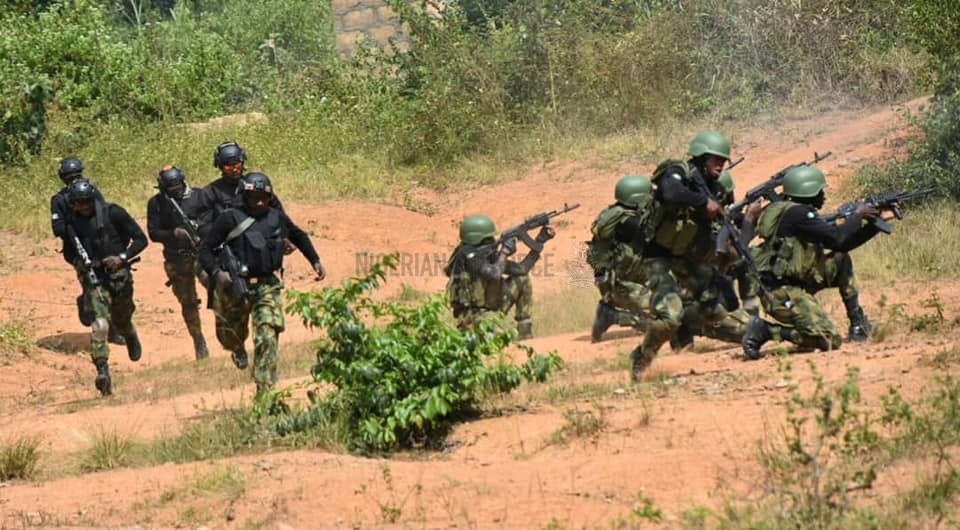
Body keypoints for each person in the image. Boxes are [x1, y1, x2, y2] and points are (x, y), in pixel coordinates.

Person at [199, 172, 325, 398]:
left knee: (267, 333)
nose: (259, 202)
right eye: (254, 197)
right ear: (245, 196)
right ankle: (237, 348)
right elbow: (205, 250)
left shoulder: (276, 218)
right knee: (230, 336)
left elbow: (298, 235)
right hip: (234, 288)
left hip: (268, 285)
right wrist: (217, 273)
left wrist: (315, 260)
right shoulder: (229, 218)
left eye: (264, 198)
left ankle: (265, 390)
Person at [741, 165, 881, 358]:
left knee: (840, 259)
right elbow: (837, 237)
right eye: (820, 191)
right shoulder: (797, 215)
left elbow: (841, 246)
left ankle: (858, 324)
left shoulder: (792, 213)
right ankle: (766, 330)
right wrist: (858, 215)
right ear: (808, 191)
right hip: (781, 292)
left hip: (796, 283)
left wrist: (874, 226)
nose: (823, 195)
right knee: (829, 338)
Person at [62, 180, 148, 396]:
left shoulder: (114, 213)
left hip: (119, 277)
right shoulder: (71, 224)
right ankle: (103, 370)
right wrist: (78, 262)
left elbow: (141, 240)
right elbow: (68, 252)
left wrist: (121, 258)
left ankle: (130, 334)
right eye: (78, 203)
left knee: (121, 318)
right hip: (94, 278)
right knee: (100, 324)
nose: (83, 207)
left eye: (87, 202)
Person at [50, 157, 126, 343]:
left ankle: (114, 328)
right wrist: (73, 223)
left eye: (77, 176)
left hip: (100, 246)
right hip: (77, 249)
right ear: (63, 178)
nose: (74, 180)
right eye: (69, 177)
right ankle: (97, 320)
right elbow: (57, 229)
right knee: (92, 287)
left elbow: (103, 215)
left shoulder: (91, 191)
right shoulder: (59, 200)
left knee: (113, 287)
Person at [444, 215, 555, 339]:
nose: (492, 240)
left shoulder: (487, 253)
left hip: (492, 311)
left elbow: (522, 269)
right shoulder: (466, 254)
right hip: (470, 316)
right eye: (488, 238)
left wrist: (539, 241)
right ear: (476, 238)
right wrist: (505, 252)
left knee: (522, 279)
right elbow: (495, 274)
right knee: (499, 336)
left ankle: (525, 336)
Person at [147, 165, 210, 360]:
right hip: (176, 257)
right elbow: (153, 233)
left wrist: (199, 230)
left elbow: (214, 220)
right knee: (187, 301)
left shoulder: (199, 196)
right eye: (170, 188)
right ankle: (198, 340)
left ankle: (227, 328)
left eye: (178, 187)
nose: (175, 191)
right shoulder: (157, 203)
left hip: (202, 254)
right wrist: (173, 234)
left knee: (218, 289)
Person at [587, 175, 654, 342]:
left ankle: (611, 311)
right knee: (665, 320)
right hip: (620, 287)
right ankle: (612, 316)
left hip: (627, 282)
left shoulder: (619, 215)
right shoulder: (630, 223)